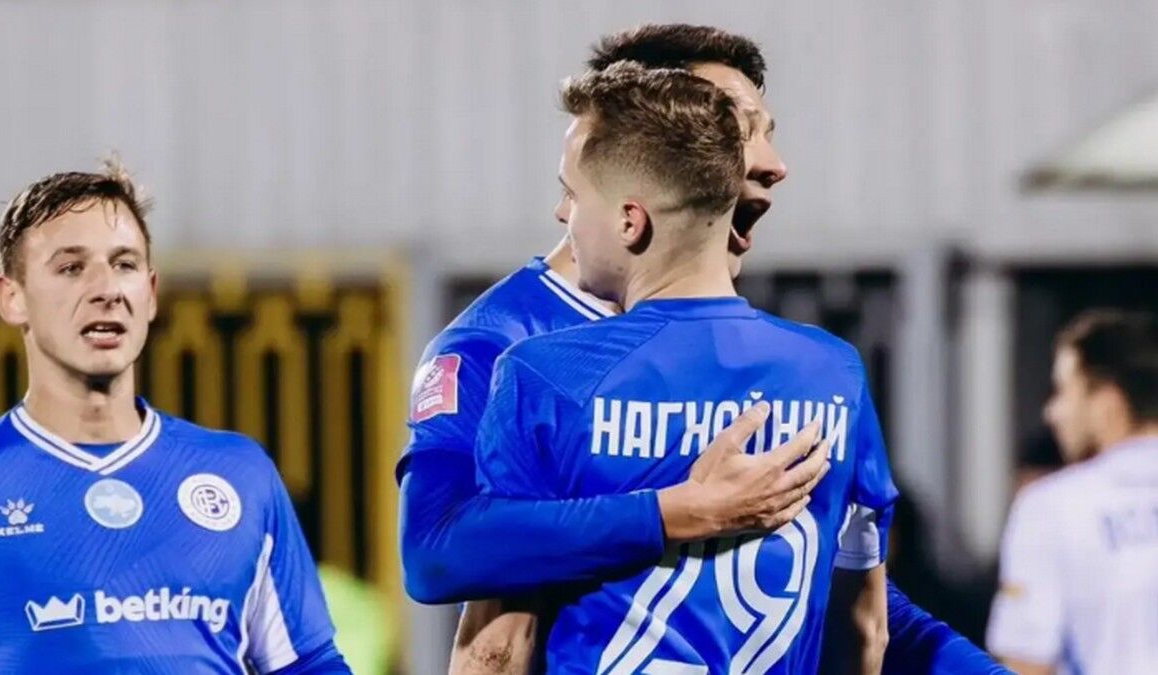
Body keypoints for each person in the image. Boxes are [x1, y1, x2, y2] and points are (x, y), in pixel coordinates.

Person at [399, 23, 1003, 674]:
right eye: (743, 127)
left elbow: (831, 593)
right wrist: (674, 512)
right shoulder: (502, 345)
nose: (773, 162)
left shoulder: (753, 347)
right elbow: (440, 555)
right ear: (657, 129)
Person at [474, 61, 895, 673]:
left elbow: (499, 643)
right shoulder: (835, 374)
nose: (563, 216)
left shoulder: (544, 376)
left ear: (630, 220)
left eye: (574, 193)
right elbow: (865, 628)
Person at [0, 163, 349, 674]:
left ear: (151, 292)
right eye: (71, 268)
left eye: (124, 264)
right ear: (12, 298)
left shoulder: (239, 474)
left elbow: (309, 663)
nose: (106, 289)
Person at [987, 310, 1158, 675]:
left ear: (1107, 400)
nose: (1053, 413)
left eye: (1064, 392)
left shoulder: (1052, 507)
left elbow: (1027, 664)